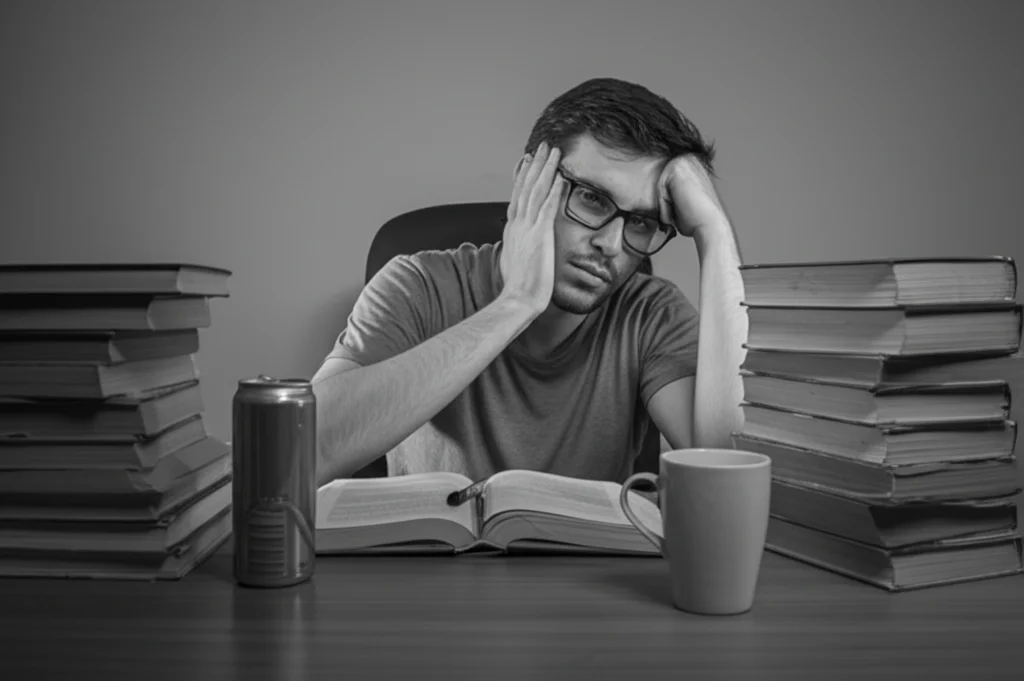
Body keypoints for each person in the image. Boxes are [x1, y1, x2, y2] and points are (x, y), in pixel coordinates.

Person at [312, 77, 747, 487]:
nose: (612, 244)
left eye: (641, 222)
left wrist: (715, 233)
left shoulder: (652, 316)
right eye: (592, 199)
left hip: (588, 568)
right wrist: (516, 304)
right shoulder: (415, 285)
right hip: (429, 566)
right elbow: (306, 448)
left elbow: (727, 473)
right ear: (528, 181)